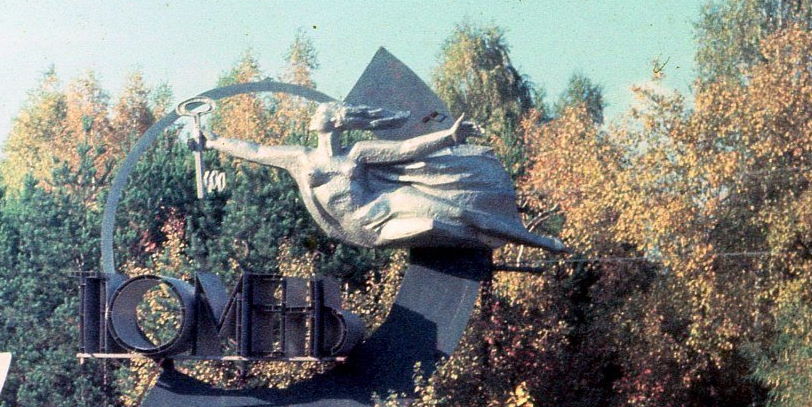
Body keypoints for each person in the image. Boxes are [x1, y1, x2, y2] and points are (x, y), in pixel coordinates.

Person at [203, 102, 564, 252]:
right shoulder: (300, 159)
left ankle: (536, 241)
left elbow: (407, 150)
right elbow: (255, 150)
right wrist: (213, 140)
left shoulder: (358, 153)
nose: (318, 119)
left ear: (333, 122)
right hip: (363, 227)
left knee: (459, 213)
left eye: (323, 114)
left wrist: (449, 137)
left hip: (386, 204)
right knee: (448, 222)